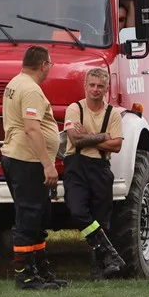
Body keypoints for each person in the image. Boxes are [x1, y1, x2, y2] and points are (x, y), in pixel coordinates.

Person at [0, 45, 66, 290]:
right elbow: (31, 128)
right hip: (26, 161)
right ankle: (26, 277)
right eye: (50, 65)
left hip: (21, 158)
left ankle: (40, 271)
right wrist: (48, 165)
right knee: (28, 219)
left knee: (37, 217)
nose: (50, 69)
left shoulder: (15, 82)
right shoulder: (30, 89)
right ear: (44, 65)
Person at [62, 68, 128, 279]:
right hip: (76, 166)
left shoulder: (113, 114)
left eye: (100, 86)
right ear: (85, 86)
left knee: (101, 219)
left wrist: (90, 136)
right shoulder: (74, 109)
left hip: (100, 168)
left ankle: (100, 268)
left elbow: (117, 146)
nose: (95, 90)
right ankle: (110, 254)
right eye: (92, 85)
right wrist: (103, 137)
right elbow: (75, 140)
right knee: (77, 211)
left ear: (107, 88)